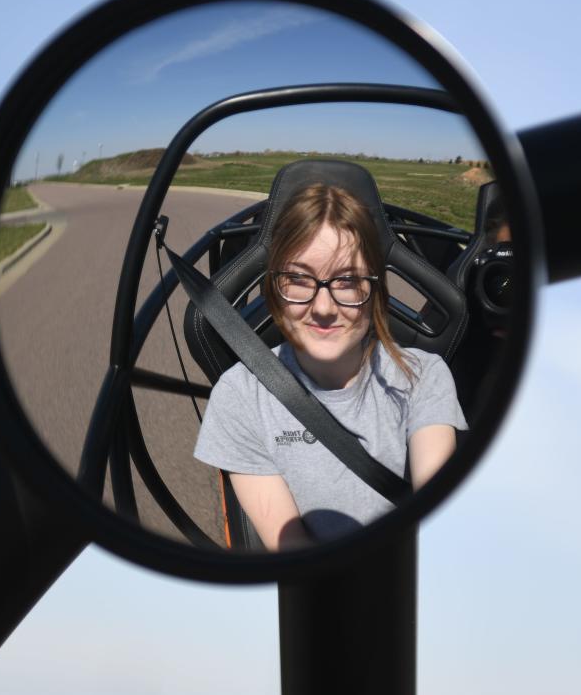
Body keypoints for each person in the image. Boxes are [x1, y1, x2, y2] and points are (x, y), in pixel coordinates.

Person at [193, 182, 465, 551]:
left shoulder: (423, 377)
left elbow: (438, 523)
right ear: (274, 288)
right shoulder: (240, 395)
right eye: (299, 279)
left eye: (348, 280)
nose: (323, 308)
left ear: (375, 288)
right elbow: (291, 547)